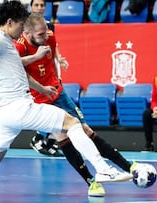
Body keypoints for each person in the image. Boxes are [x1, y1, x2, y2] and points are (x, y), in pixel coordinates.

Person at [0, 1, 132, 201]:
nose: (23, 30)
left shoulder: (8, 44)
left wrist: (42, 89)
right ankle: (103, 170)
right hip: (20, 107)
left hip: (5, 113)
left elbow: (21, 74)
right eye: (21, 24)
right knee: (72, 123)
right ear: (10, 22)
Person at [15, 12, 137, 197]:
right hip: (41, 100)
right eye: (40, 34)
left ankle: (128, 166)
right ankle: (92, 182)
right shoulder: (19, 47)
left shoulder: (49, 37)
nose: (45, 36)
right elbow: (18, 70)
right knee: (63, 137)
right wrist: (42, 86)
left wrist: (58, 62)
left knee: (85, 130)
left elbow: (52, 51)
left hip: (58, 92)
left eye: (46, 32)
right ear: (27, 33)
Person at [29, 0, 70, 156]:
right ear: (31, 7)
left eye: (42, 5)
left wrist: (59, 59)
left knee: (55, 106)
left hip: (47, 71)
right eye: (36, 5)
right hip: (33, 73)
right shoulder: (25, 26)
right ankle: (39, 137)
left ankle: (46, 138)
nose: (39, 8)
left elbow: (53, 46)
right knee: (43, 107)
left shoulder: (48, 26)